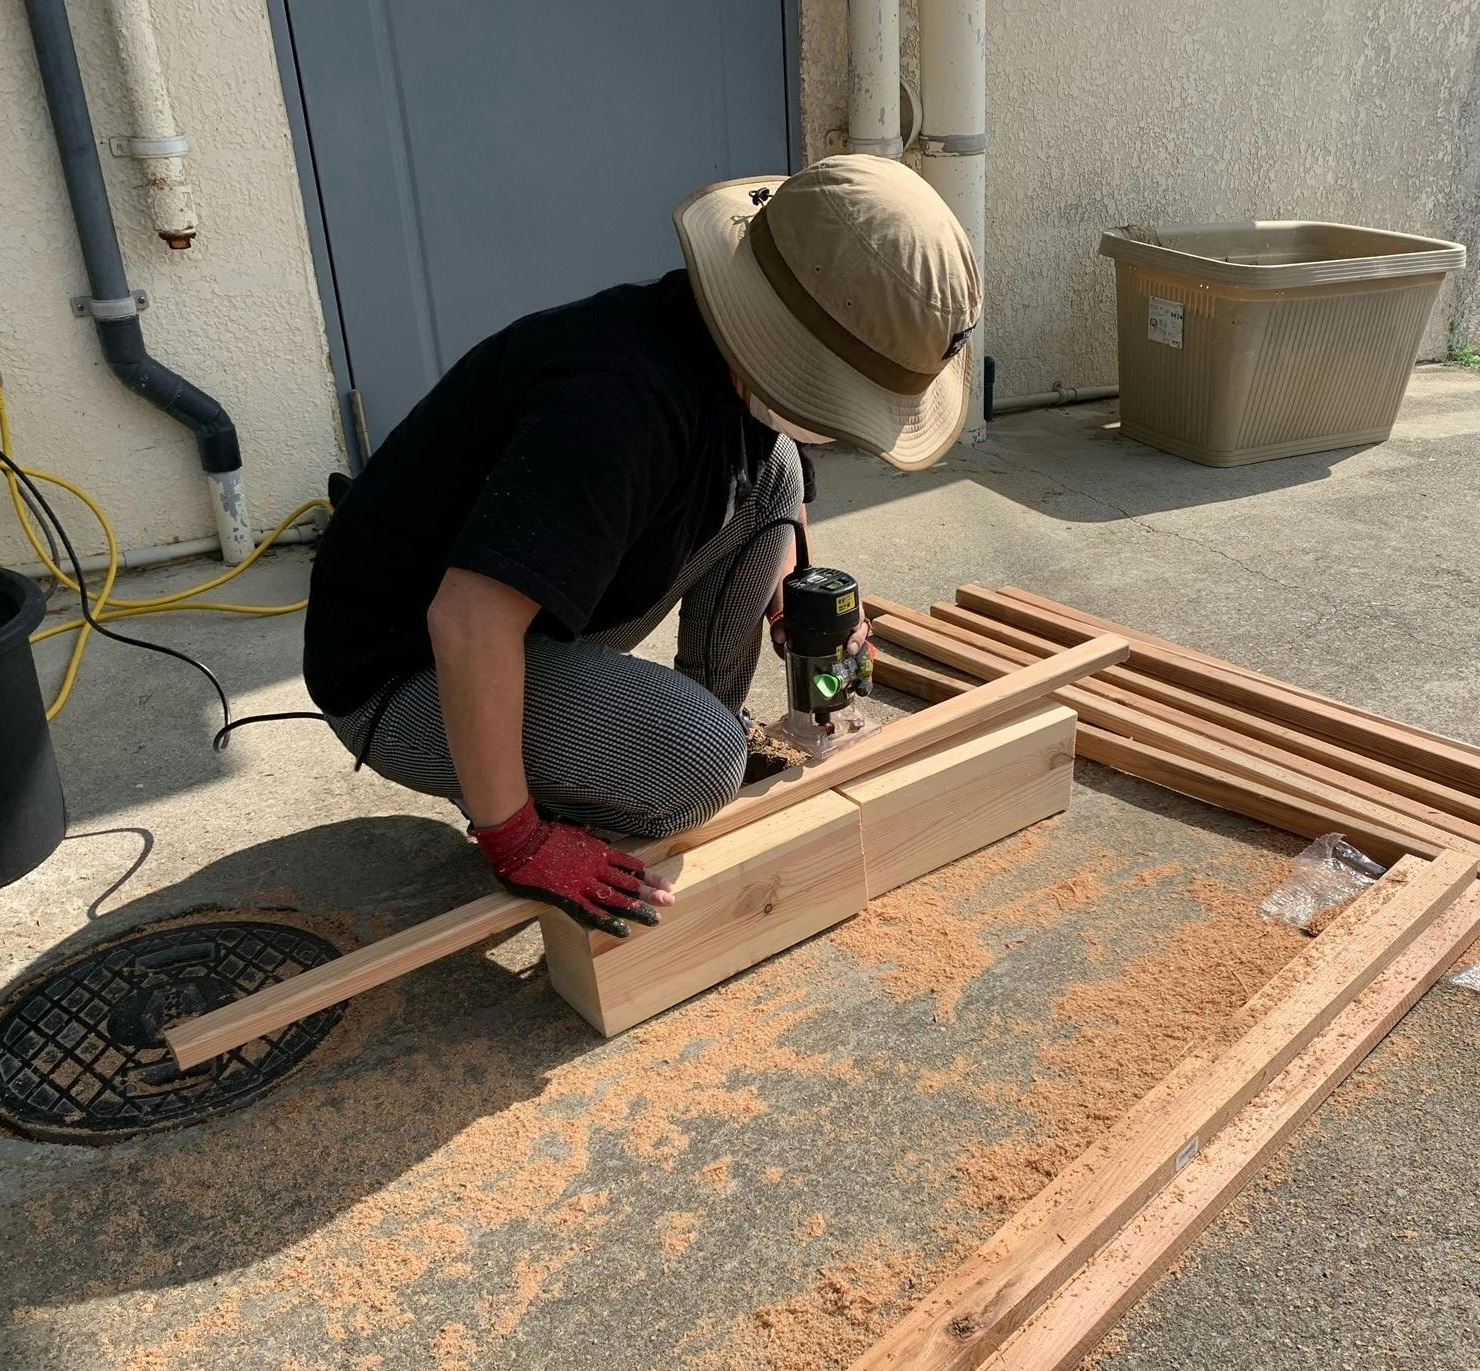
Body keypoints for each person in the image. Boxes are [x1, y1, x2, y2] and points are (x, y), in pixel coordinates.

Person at [301, 156, 981, 937]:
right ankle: (572, 777)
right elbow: (466, 623)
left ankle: (689, 723)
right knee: (700, 766)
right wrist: (517, 838)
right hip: (407, 674)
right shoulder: (614, 408)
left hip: (522, 622)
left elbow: (776, 498)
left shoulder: (718, 353)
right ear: (788, 343)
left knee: (778, 471)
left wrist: (799, 609)